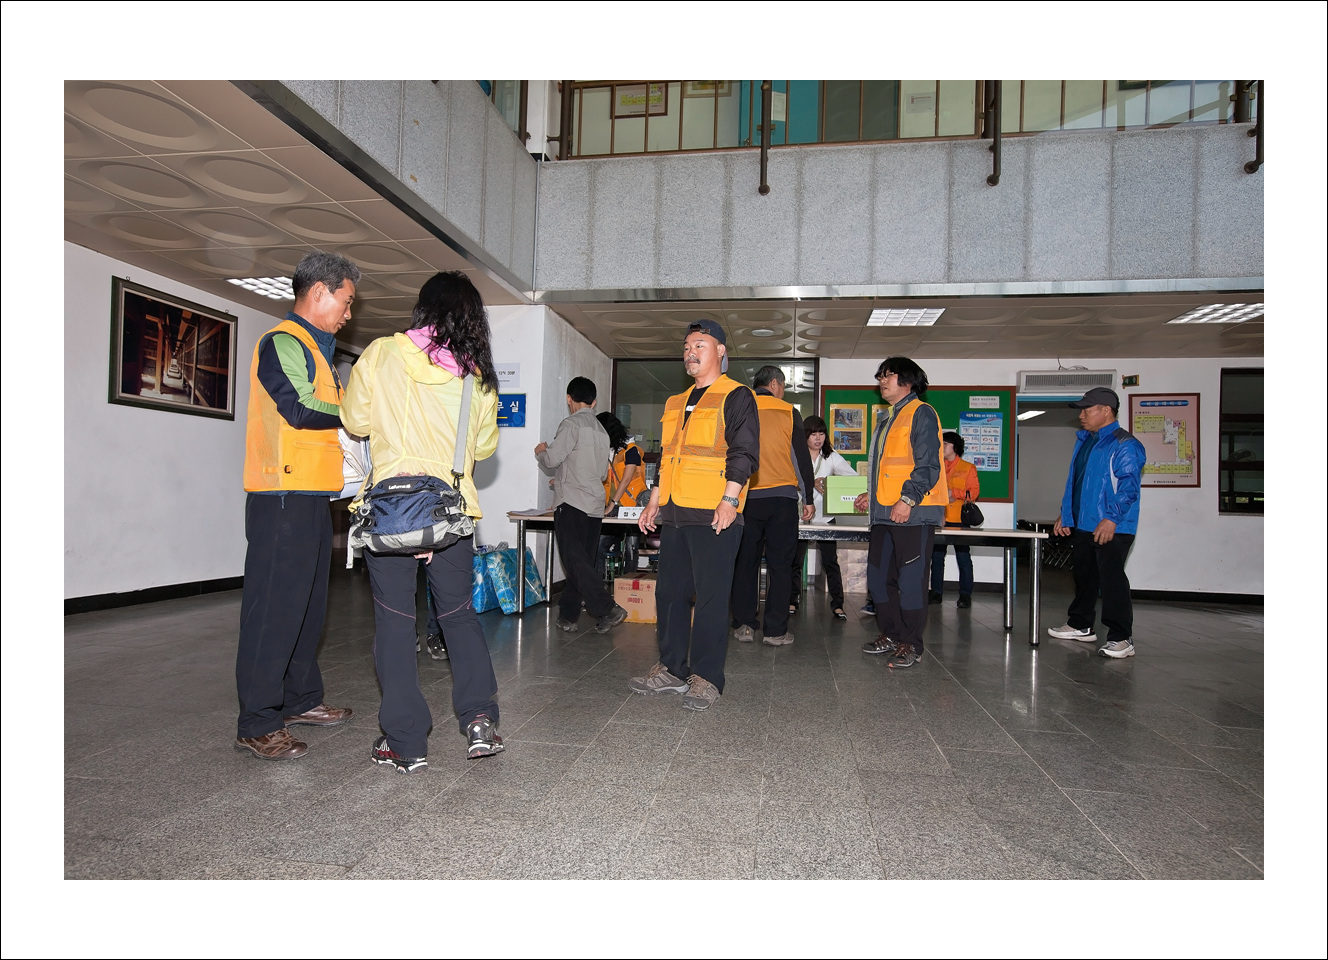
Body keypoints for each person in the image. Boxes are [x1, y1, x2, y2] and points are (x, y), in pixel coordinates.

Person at [340, 270, 505, 771]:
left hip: (388, 510)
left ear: (423, 308)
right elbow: (484, 448)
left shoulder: (381, 353)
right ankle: (480, 722)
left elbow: (355, 420)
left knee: (395, 623)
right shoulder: (477, 377)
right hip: (449, 512)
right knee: (458, 617)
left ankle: (406, 740)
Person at [234, 250, 359, 762]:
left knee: (308, 608)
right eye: (346, 302)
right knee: (273, 611)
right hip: (281, 495)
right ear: (319, 292)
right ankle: (258, 721)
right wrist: (357, 410)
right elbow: (300, 407)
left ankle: (301, 700)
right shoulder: (283, 341)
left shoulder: (320, 352)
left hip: (312, 494)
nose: (348, 313)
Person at [629, 320, 759, 710]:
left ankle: (706, 677)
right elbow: (668, 456)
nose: (691, 352)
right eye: (686, 347)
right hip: (675, 512)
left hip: (714, 512)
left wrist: (730, 500)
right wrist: (654, 500)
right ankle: (672, 668)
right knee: (670, 594)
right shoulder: (676, 402)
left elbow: (744, 453)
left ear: (720, 351)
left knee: (711, 599)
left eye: (700, 345)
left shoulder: (736, 396)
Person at [854, 357, 947, 669]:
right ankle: (892, 634)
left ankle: (911, 642)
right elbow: (889, 469)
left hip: (913, 513)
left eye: (888, 375)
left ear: (908, 380)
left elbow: (928, 465)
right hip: (884, 513)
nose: (882, 381)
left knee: (910, 581)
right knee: (879, 578)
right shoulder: (888, 418)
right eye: (880, 376)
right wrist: (871, 494)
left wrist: (908, 499)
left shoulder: (921, 412)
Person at [1047, 386, 1146, 659]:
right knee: (1084, 576)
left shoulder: (1125, 444)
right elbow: (1077, 483)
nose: (1081, 415)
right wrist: (1067, 514)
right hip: (1085, 523)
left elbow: (1128, 488)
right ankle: (1080, 624)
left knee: (1112, 580)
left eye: (1087, 410)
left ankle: (1121, 638)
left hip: (1112, 525)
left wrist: (1111, 518)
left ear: (1106, 410)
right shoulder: (1086, 441)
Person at [730, 365, 815, 646]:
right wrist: (808, 498)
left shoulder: (740, 408)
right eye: (783, 387)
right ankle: (775, 631)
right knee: (780, 565)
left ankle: (744, 625)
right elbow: (800, 458)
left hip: (745, 498)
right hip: (782, 500)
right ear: (775, 384)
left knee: (745, 562)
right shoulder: (788, 411)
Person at [535, 378, 629, 634]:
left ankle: (607, 608)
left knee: (574, 560)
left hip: (572, 502)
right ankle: (568, 615)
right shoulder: (601, 431)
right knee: (581, 561)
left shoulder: (571, 424)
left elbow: (552, 459)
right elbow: (601, 473)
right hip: (594, 504)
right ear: (594, 401)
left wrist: (541, 451)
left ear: (569, 399)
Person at [792, 414, 857, 621]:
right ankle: (792, 600)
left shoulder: (832, 457)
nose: (818, 438)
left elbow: (854, 479)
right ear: (805, 436)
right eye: (813, 434)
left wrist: (830, 483)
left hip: (826, 517)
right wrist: (809, 482)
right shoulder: (795, 455)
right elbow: (787, 479)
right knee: (795, 561)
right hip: (799, 517)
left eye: (821, 433)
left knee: (831, 562)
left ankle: (838, 605)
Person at [930, 430, 981, 608]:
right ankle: (936, 593)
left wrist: (954, 493)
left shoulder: (968, 468)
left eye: (946, 444)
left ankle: (965, 595)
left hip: (960, 520)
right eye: (941, 443)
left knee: (963, 557)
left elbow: (974, 493)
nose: (942, 447)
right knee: (936, 557)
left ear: (955, 447)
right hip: (940, 518)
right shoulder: (936, 467)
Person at [596, 410, 645, 577]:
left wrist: (612, 504)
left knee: (631, 550)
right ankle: (597, 587)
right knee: (600, 546)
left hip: (632, 507)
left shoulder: (631, 451)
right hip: (613, 507)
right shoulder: (607, 453)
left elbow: (626, 479)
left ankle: (629, 586)